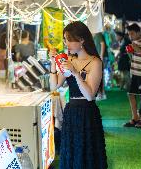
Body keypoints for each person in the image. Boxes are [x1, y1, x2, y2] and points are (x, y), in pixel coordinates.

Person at [50, 21, 107, 169]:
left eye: (69, 39)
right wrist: (52, 64)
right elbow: (54, 86)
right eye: (64, 40)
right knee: (71, 153)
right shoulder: (69, 60)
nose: (66, 43)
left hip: (87, 113)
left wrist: (75, 73)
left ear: (81, 39)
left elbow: (89, 95)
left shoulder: (95, 62)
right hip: (71, 111)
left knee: (87, 155)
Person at [124, 23, 141, 128]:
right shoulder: (134, 42)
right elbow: (134, 57)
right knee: (131, 94)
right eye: (129, 34)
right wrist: (130, 52)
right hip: (134, 72)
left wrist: (136, 48)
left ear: (138, 32)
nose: (130, 36)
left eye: (132, 33)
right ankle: (135, 117)